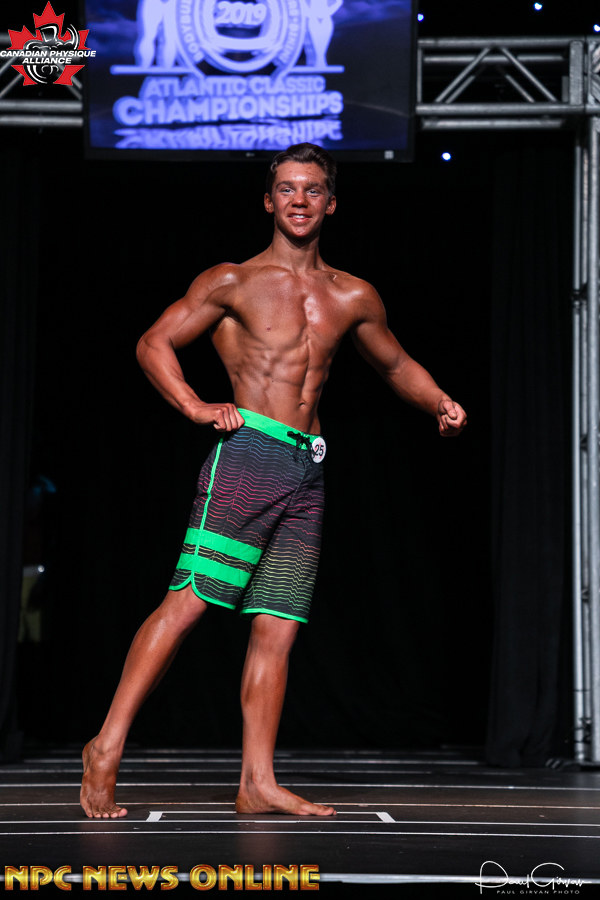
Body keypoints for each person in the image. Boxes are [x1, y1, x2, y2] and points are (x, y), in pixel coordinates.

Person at [80, 142, 467, 820]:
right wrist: (195, 406)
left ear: (331, 203)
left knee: (278, 626)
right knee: (189, 601)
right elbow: (153, 343)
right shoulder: (232, 281)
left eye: (312, 189)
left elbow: (395, 364)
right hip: (248, 456)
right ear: (268, 200)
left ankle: (256, 781)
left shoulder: (353, 294)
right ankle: (105, 745)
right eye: (286, 188)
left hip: (307, 465)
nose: (299, 199)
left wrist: (438, 400)